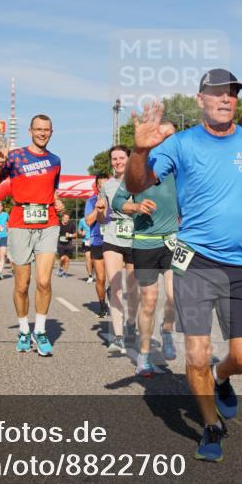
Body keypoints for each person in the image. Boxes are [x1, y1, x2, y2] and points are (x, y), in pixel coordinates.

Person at [126, 68, 242, 463]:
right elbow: (136, 185)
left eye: (231, 93)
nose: (225, 99)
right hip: (195, 262)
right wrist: (140, 151)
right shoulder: (180, 144)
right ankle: (211, 426)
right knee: (196, 355)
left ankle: (220, 377)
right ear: (200, 100)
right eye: (216, 93)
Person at [0, 114, 65, 357]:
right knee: (22, 285)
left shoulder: (55, 160)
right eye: (38, 129)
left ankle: (39, 331)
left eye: (47, 130)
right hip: (20, 222)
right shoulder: (15, 156)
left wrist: (58, 203)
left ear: (52, 132)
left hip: (48, 223)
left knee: (44, 282)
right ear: (30, 131)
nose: (42, 133)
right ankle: (23, 330)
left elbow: (52, 192)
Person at [112, 119, 180, 377]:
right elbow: (118, 201)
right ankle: (143, 355)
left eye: (172, 136)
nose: (167, 140)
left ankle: (167, 331)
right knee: (149, 301)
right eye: (163, 135)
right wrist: (136, 206)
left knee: (176, 295)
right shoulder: (137, 168)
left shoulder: (178, 169)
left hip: (173, 241)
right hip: (145, 242)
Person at [100, 146, 139, 352]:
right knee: (115, 285)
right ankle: (117, 336)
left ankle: (131, 323)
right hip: (113, 235)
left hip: (135, 237)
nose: (117, 162)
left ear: (129, 159)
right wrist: (99, 212)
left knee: (133, 288)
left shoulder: (139, 181)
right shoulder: (106, 186)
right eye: (114, 159)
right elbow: (102, 216)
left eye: (121, 158)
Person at [84, 174, 109, 317]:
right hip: (97, 241)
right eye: (101, 186)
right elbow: (88, 221)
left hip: (114, 241)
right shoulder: (91, 201)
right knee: (100, 278)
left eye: (107, 185)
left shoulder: (116, 200)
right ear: (97, 187)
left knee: (116, 276)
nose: (104, 188)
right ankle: (102, 304)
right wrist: (98, 206)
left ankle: (113, 290)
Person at [56, 212, 76, 277]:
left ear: (69, 219)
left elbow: (75, 234)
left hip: (68, 244)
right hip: (60, 244)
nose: (66, 219)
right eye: (65, 218)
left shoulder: (71, 225)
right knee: (62, 258)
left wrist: (70, 235)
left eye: (67, 218)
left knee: (67, 259)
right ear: (62, 218)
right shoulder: (58, 224)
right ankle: (60, 268)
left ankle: (65, 273)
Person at [76, 217, 93, 283]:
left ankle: (93, 270)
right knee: (88, 259)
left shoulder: (96, 219)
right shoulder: (82, 220)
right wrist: (81, 232)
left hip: (95, 241)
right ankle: (90, 276)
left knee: (94, 260)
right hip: (86, 241)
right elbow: (79, 230)